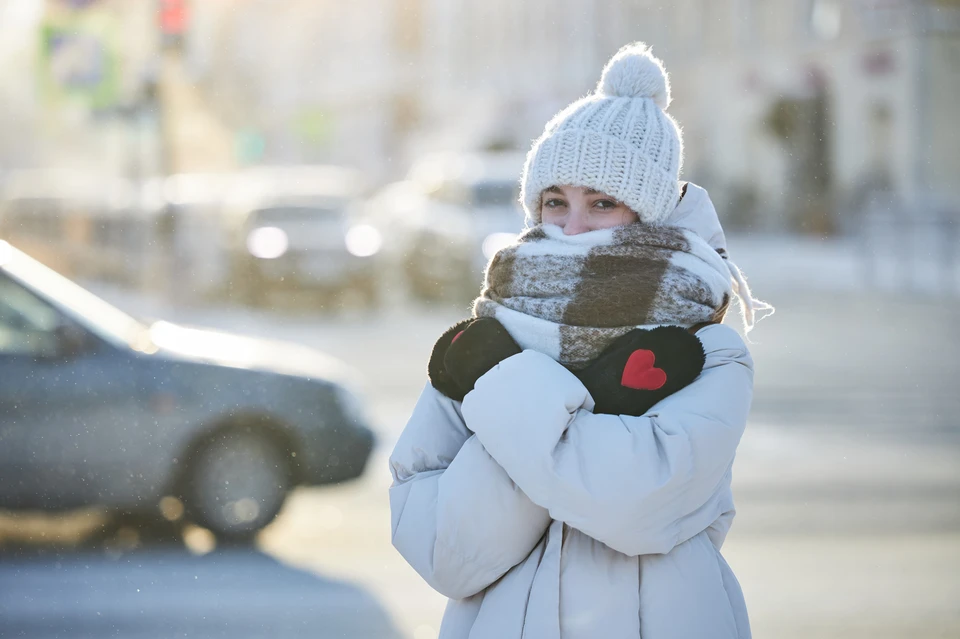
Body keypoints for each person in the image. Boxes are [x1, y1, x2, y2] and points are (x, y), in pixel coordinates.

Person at [389, 42, 772, 639]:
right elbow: (442, 552)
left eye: (602, 203)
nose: (571, 228)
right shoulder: (494, 329)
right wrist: (588, 409)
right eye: (555, 202)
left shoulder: (707, 349)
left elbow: (635, 509)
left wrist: (507, 386)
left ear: (648, 213)